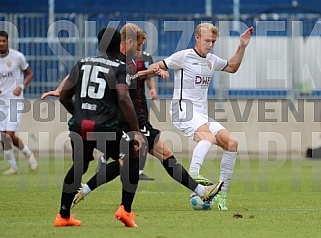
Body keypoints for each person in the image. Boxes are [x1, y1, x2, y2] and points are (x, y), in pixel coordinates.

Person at [71, 23, 223, 225]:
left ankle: (201, 191)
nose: (141, 51)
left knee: (159, 156)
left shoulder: (130, 62)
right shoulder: (119, 64)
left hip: (141, 120)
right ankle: (112, 201)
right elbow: (132, 78)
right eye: (140, 46)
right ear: (130, 42)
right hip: (132, 121)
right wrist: (152, 72)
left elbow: (146, 69)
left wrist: (153, 71)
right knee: (132, 162)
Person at [149, 22, 254, 210]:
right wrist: (159, 69)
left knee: (232, 143)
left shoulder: (211, 60)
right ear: (197, 38)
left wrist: (242, 47)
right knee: (208, 137)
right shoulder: (183, 56)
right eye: (207, 40)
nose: (210, 44)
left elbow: (232, 67)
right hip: (183, 110)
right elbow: (155, 64)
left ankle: (221, 195)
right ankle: (194, 174)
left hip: (201, 115)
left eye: (213, 41)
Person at [53, 27, 145, 228]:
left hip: (79, 126)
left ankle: (63, 215)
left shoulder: (82, 63)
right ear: (117, 44)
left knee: (80, 166)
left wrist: (77, 114)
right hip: (104, 126)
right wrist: (136, 130)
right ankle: (126, 210)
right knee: (132, 156)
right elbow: (123, 98)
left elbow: (63, 96)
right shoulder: (119, 67)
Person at [0, 30, 38, 175]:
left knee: (8, 134)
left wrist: (21, 86)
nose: (1, 43)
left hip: (15, 101)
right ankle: (14, 166)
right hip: (1, 102)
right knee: (3, 136)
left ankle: (29, 156)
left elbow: (30, 73)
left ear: (7, 41)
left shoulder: (17, 56)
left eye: (4, 41)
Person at [133, 31, 157, 180]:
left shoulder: (147, 57)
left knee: (142, 135)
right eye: (139, 43)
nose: (141, 46)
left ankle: (139, 171)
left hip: (140, 101)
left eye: (142, 43)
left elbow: (149, 76)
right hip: (126, 102)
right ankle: (105, 160)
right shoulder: (124, 59)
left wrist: (152, 89)